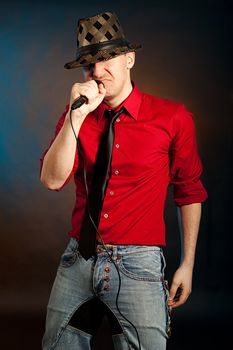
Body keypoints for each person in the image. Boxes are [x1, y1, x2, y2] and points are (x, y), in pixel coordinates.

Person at [40, 11, 208, 350]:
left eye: (106, 59)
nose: (98, 71)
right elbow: (53, 180)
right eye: (89, 64)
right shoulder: (76, 116)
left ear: (129, 59)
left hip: (138, 262)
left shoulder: (172, 117)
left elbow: (189, 192)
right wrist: (77, 114)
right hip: (79, 259)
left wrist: (187, 264)